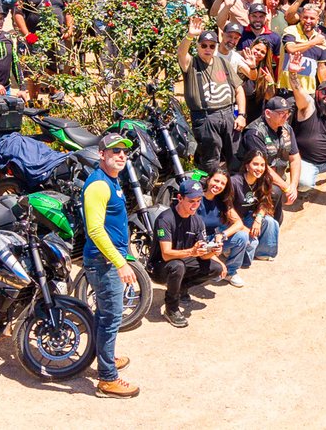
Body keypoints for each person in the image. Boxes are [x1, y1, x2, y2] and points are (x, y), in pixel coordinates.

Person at [80, 131, 140, 398]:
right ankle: (107, 379)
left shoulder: (112, 180)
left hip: (108, 259)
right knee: (111, 316)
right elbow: (95, 230)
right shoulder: (99, 185)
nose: (121, 155)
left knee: (106, 315)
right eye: (115, 151)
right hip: (103, 261)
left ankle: (106, 358)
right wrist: (120, 262)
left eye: (124, 151)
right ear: (101, 154)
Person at [151, 179, 221, 329]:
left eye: (198, 201)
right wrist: (192, 252)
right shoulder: (165, 219)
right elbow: (166, 254)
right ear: (180, 198)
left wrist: (211, 251)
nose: (195, 205)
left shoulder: (197, 221)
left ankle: (181, 287)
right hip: (159, 267)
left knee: (216, 268)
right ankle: (171, 308)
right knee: (178, 266)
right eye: (191, 201)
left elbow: (202, 255)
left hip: (183, 261)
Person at [179, 18, 244, 173]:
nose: (207, 49)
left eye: (211, 46)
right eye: (204, 45)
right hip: (205, 117)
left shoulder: (223, 62)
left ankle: (234, 186)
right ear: (197, 46)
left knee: (236, 157)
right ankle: (206, 186)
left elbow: (239, 89)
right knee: (209, 161)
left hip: (229, 114)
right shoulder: (191, 64)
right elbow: (181, 53)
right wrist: (190, 35)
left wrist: (241, 115)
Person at [197, 169, 252, 287]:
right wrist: (219, 262)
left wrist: (222, 235)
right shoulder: (196, 199)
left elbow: (238, 223)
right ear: (208, 179)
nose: (218, 185)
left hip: (212, 240)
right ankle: (217, 268)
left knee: (242, 236)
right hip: (196, 242)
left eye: (222, 183)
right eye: (216, 181)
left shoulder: (221, 201)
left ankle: (230, 272)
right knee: (217, 273)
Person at [229, 150, 281, 262]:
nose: (259, 168)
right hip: (232, 222)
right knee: (249, 247)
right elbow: (227, 208)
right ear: (247, 166)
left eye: (262, 165)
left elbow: (265, 201)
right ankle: (229, 249)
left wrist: (258, 218)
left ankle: (262, 253)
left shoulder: (264, 179)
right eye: (255, 164)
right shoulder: (234, 182)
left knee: (270, 222)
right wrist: (241, 227)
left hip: (249, 217)